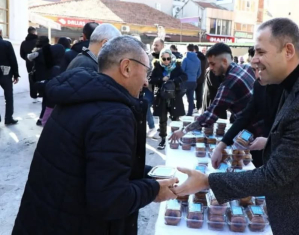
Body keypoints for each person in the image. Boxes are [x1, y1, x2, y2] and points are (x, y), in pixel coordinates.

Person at [172, 18, 299, 235]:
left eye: (261, 52)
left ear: (288, 51)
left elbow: (275, 176)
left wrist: (208, 181)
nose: (254, 60)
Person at [12, 36, 177, 235]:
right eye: (146, 71)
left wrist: (149, 172)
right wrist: (153, 190)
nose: (145, 81)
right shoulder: (114, 115)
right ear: (126, 68)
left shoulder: (78, 95)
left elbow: (94, 164)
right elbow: (110, 200)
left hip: (44, 220)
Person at [170, 43, 255, 143]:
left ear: (224, 61)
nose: (210, 67)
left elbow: (210, 114)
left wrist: (183, 131)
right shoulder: (245, 67)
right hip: (260, 126)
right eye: (209, 64)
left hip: (253, 132)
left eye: (212, 64)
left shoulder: (229, 83)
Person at [150, 49, 188, 150]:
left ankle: (175, 138)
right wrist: (161, 79)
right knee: (162, 120)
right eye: (164, 59)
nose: (166, 61)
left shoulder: (177, 66)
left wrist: (174, 80)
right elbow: (151, 79)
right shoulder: (157, 67)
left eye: (168, 58)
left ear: (171, 58)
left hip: (174, 97)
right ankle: (163, 139)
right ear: (160, 59)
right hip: (161, 98)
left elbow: (185, 76)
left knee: (175, 119)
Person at [28, 44, 66, 126]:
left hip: (44, 83)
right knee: (47, 103)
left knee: (46, 103)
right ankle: (43, 119)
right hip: (48, 86)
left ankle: (42, 119)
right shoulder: (58, 65)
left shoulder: (44, 56)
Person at [0, 29, 19, 125]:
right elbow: (12, 59)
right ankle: (8, 118)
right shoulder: (7, 44)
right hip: (5, 72)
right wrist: (16, 74)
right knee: (8, 96)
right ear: (0, 33)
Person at [181, 44, 201, 116]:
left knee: (179, 97)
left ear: (187, 49)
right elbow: (199, 72)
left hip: (185, 81)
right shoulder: (198, 60)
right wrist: (195, 77)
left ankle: (180, 112)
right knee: (191, 98)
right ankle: (190, 113)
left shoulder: (185, 59)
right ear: (194, 49)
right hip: (193, 81)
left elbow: (182, 70)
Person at [20, 26, 39, 100]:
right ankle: (40, 93)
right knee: (40, 77)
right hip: (39, 62)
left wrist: (28, 59)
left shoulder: (24, 43)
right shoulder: (38, 41)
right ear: (34, 32)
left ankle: (33, 95)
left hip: (29, 63)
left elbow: (22, 54)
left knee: (31, 78)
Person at [194, 45, 207, 113]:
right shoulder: (204, 58)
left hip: (194, 77)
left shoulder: (195, 57)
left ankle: (193, 106)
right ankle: (199, 107)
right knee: (199, 94)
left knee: (190, 94)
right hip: (202, 77)